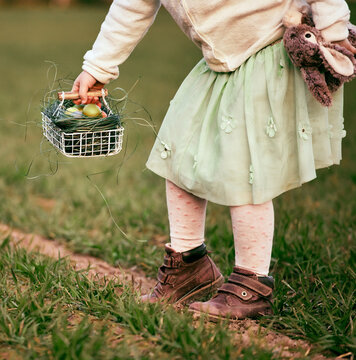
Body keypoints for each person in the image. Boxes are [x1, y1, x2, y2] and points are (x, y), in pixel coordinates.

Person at [71, 0, 355, 319]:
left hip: (267, 48)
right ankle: (188, 265)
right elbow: (131, 6)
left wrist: (334, 30)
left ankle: (252, 282)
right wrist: (97, 68)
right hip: (222, 60)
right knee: (179, 148)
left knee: (247, 168)